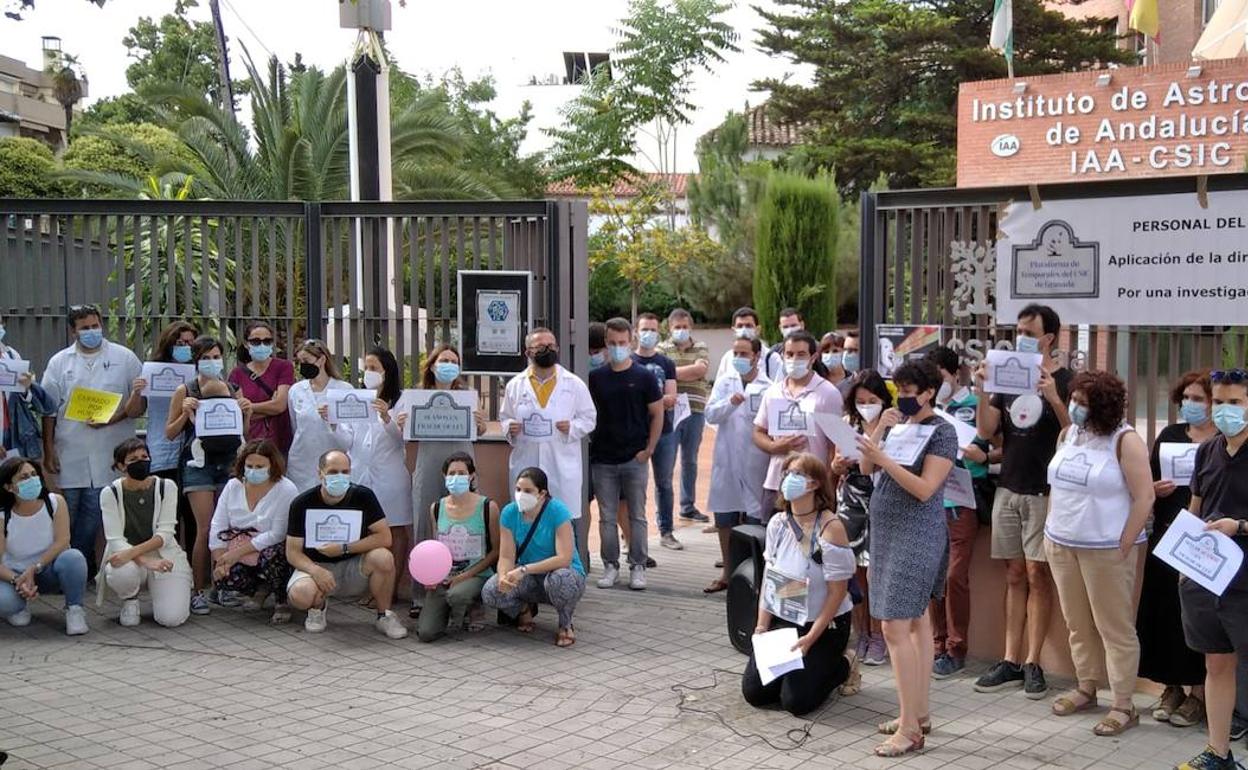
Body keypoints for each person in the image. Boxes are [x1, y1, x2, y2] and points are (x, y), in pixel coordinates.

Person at [1042, 370, 1153, 737]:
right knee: (1077, 623)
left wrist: (1123, 544)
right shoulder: (1068, 434)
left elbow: (1145, 497)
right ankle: (1086, 686)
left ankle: (1123, 703)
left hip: (1106, 550)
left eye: (1083, 404)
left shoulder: (1125, 441)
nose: (1075, 408)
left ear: (1103, 408)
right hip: (1062, 543)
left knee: (1114, 627)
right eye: (1073, 400)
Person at [858, 359, 957, 757]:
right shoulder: (898, 424)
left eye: (911, 391)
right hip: (886, 530)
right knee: (916, 622)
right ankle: (917, 713)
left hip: (918, 533)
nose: (905, 398)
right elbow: (865, 468)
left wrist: (886, 462)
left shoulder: (942, 432)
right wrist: (878, 431)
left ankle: (909, 730)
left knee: (895, 627)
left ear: (930, 392)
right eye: (899, 391)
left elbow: (925, 488)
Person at [972, 303, 1072, 699]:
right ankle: (1010, 659)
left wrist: (1055, 397)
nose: (1022, 339)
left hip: (1045, 492)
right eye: (1018, 332)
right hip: (1008, 488)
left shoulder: (1065, 380)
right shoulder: (1007, 377)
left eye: (1030, 332)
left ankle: (1034, 662)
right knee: (1014, 574)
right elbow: (986, 429)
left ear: (1049, 338)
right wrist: (982, 390)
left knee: (1037, 575)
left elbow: (1075, 436)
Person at [1173, 368, 1248, 770]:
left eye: (1234, 402)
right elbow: (1195, 510)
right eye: (1218, 402)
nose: (1223, 410)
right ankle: (1219, 753)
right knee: (1216, 663)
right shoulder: (1207, 451)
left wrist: (1241, 527)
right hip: (1207, 579)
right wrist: (1183, 562)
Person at [743, 452, 856, 716]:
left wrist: (810, 638)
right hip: (786, 619)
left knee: (796, 702)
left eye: (797, 474)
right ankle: (794, 672)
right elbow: (769, 581)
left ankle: (844, 664)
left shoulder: (831, 527)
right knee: (755, 693)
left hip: (823, 626)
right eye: (787, 474)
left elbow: (837, 592)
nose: (788, 480)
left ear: (815, 483)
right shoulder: (778, 523)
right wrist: (761, 627)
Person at [40, 304, 144, 577]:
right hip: (71, 449)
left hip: (111, 448)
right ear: (73, 331)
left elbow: (138, 407)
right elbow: (48, 409)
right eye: (84, 328)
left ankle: (81, 566)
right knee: (68, 514)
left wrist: (114, 418)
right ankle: (67, 568)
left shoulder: (125, 357)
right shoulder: (59, 362)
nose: (91, 331)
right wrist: (48, 450)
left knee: (95, 514)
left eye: (95, 326)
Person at [1138, 369, 1214, 727]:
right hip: (1166, 536)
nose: (1191, 404)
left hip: (1206, 541)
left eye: (1199, 398)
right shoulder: (1169, 435)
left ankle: (1198, 694)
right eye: (1187, 397)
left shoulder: (1222, 441)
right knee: (1164, 611)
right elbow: (1146, 484)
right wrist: (1155, 489)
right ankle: (1171, 689)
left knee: (1199, 616)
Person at [165, 336, 252, 615]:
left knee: (227, 528)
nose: (212, 362)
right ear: (195, 360)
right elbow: (170, 432)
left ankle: (223, 586)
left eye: (216, 356)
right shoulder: (185, 390)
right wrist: (185, 412)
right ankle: (197, 590)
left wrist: (246, 412)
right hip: (198, 464)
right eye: (206, 357)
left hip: (228, 462)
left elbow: (243, 433)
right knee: (205, 529)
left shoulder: (232, 387)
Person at [398, 345, 487, 617]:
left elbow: (480, 431)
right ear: (433, 365)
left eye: (454, 361)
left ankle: (468, 592)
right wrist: (403, 422)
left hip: (461, 463)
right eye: (444, 360)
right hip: (429, 465)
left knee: (467, 523)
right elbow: (401, 430)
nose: (449, 365)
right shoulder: (416, 396)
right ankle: (421, 596)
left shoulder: (467, 397)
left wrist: (480, 424)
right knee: (426, 527)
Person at [284, 450, 407, 638]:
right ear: (320, 473)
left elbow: (384, 537)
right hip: (316, 568)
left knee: (384, 557)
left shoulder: (363, 496)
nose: (340, 477)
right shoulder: (302, 503)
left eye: (345, 471)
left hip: (354, 566)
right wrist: (316, 571)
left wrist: (345, 547)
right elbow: (292, 552)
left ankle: (384, 615)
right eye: (333, 472)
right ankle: (317, 609)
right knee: (300, 594)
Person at [589, 318, 663, 591]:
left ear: (630, 342)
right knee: (607, 517)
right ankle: (610, 566)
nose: (617, 348)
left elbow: (657, 413)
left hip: (635, 458)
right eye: (612, 343)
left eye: (622, 343)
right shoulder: (596, 378)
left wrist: (649, 449)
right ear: (606, 344)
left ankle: (638, 566)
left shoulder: (643, 377)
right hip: (603, 459)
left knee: (637, 515)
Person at [927, 346, 985, 679]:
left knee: (954, 576)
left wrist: (977, 453)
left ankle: (956, 647)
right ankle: (936, 645)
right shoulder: (929, 409)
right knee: (935, 577)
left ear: (953, 374)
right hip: (932, 499)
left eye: (940, 376)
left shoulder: (974, 406)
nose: (936, 384)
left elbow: (994, 446)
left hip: (963, 500)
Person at [481, 467, 586, 647]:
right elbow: (506, 555)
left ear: (542, 493)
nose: (521, 495)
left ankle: (565, 623)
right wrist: (504, 575)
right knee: (491, 591)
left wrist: (524, 569)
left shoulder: (558, 511)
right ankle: (523, 611)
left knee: (561, 579)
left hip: (560, 575)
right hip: (528, 577)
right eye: (518, 490)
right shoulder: (509, 512)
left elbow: (564, 558)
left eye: (528, 491)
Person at [500, 328, 596, 521]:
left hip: (561, 463)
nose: (547, 350)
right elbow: (505, 417)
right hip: (527, 461)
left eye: (551, 346)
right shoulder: (515, 385)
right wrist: (509, 427)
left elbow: (589, 418)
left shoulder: (574, 384)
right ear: (528, 352)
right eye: (541, 346)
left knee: (562, 522)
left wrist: (572, 427)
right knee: (527, 519)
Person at [97, 438, 192, 628]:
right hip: (127, 555)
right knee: (121, 569)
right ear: (121, 466)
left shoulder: (166, 487)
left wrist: (147, 558)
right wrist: (144, 560)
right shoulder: (110, 493)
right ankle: (130, 600)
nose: (141, 462)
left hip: (163, 554)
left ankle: (165, 590)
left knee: (171, 618)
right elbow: (115, 539)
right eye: (133, 459)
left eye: (144, 456)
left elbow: (165, 533)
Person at [704, 335, 771, 593]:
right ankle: (728, 573)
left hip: (756, 461)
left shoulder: (768, 386)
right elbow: (710, 414)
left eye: (744, 353)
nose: (739, 358)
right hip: (727, 458)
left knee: (755, 519)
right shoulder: (724, 382)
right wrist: (729, 403)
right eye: (736, 353)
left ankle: (755, 575)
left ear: (756, 356)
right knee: (725, 518)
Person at [834, 371, 892, 668]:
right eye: (860, 401)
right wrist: (839, 464)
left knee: (876, 573)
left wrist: (880, 429)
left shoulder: (895, 427)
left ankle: (880, 637)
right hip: (852, 502)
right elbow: (836, 464)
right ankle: (861, 634)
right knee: (854, 571)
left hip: (882, 500)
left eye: (872, 400)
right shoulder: (848, 424)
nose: (866, 405)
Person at [752, 331, 843, 519]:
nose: (794, 359)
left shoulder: (828, 393)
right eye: (789, 354)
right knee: (772, 541)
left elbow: (836, 445)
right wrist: (773, 446)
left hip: (811, 485)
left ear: (813, 357)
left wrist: (828, 485)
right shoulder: (773, 391)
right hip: (776, 482)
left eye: (801, 354)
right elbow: (758, 431)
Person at [207, 440, 298, 625]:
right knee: (228, 577)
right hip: (237, 545)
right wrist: (221, 560)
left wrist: (236, 554)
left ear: (272, 466)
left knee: (273, 556)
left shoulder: (286, 488)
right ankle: (260, 590)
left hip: (272, 547)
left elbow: (278, 533)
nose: (254, 470)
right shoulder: (233, 486)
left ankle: (282, 601)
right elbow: (218, 524)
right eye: (250, 466)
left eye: (260, 466)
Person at [349, 347, 412, 602]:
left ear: (388, 371)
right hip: (361, 475)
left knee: (395, 530)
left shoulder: (402, 399)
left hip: (390, 475)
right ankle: (371, 586)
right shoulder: (358, 398)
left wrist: (386, 417)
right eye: (367, 368)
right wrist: (332, 423)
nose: (369, 373)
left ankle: (392, 588)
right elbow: (349, 437)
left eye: (375, 368)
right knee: (366, 531)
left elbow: (401, 439)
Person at [416, 452, 499, 642]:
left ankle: (474, 606)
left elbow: (496, 551)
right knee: (426, 633)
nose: (456, 477)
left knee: (457, 595)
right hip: (446, 575)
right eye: (451, 473)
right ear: (444, 476)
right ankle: (448, 613)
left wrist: (465, 576)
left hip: (476, 573)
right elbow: (435, 547)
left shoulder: (488, 507)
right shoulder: (436, 508)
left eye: (461, 473)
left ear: (471, 476)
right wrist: (431, 576)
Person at [0, 457, 88, 635]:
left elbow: (63, 541)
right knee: (5, 602)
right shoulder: (3, 516)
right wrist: (18, 580)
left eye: (34, 474)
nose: (32, 480)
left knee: (74, 558)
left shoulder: (55, 502)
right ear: (9, 487)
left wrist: (35, 567)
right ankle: (18, 607)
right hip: (16, 577)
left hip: (48, 570)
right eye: (24, 477)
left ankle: (75, 609)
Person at [141, 321, 199, 550]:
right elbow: (135, 410)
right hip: (162, 450)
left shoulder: (202, 370)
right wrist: (138, 390)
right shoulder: (152, 370)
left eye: (190, 343)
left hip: (193, 452)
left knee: (192, 515)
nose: (185, 347)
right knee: (166, 513)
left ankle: (194, 571)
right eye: (180, 343)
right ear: (169, 344)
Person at [656, 308, 711, 525]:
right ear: (669, 328)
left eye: (685, 327)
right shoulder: (661, 348)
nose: (681, 331)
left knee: (691, 460)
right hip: (669, 412)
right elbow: (659, 373)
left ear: (691, 327)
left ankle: (687, 506)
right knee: (666, 463)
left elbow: (700, 370)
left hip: (695, 411)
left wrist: (671, 372)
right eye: (677, 327)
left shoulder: (701, 346)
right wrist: (682, 371)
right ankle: (664, 516)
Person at [633, 312, 681, 550]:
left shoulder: (666, 363)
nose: (648, 334)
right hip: (635, 433)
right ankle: (631, 534)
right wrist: (658, 400)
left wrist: (648, 402)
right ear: (635, 331)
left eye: (653, 330)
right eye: (644, 329)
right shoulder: (629, 362)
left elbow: (671, 397)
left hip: (665, 431)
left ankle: (667, 531)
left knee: (664, 483)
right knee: (634, 485)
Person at [286, 339, 353, 492]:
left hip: (333, 463)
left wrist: (333, 420)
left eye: (307, 361)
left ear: (322, 359)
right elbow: (295, 426)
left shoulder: (343, 390)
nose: (303, 365)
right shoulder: (296, 390)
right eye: (300, 362)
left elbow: (348, 438)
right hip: (301, 464)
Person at [228, 321, 295, 455]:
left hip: (279, 440)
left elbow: (280, 405)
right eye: (256, 341)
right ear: (247, 344)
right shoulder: (237, 374)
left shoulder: (284, 367)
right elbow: (237, 413)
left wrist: (250, 407)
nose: (262, 345)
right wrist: (269, 407)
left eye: (267, 341)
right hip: (250, 442)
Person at [1, 317, 56, 463]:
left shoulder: (11, 355)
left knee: (15, 480)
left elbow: (29, 401)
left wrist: (26, 388)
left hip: (14, 433)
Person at [715, 307, 782, 382]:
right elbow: (720, 388)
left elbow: (779, 390)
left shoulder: (772, 359)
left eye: (748, 326)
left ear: (758, 329)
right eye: (740, 326)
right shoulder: (728, 358)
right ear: (734, 330)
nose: (744, 330)